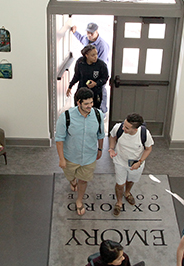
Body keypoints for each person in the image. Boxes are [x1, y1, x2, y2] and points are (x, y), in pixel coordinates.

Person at [55, 87, 106, 216]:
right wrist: (61, 158)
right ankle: (72, 181)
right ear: (78, 102)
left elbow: (100, 135)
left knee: (83, 180)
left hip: (89, 156)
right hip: (70, 156)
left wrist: (100, 149)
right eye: (86, 104)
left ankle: (79, 200)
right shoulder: (66, 117)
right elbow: (59, 139)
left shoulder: (98, 115)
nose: (90, 106)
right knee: (71, 176)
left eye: (91, 102)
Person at [108, 113, 154, 216]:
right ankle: (119, 202)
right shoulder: (118, 128)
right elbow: (112, 137)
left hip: (135, 164)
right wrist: (111, 148)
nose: (123, 128)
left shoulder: (144, 134)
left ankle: (127, 192)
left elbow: (148, 148)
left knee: (130, 180)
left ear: (135, 129)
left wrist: (140, 162)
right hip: (120, 162)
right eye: (124, 125)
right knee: (120, 184)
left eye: (127, 128)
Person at [67, 44, 109, 111]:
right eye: (93, 55)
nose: (96, 57)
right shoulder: (80, 62)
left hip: (95, 93)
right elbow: (77, 75)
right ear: (86, 55)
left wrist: (96, 83)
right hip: (82, 91)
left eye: (96, 54)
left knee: (93, 112)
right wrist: (70, 86)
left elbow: (105, 78)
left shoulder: (101, 65)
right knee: (79, 111)